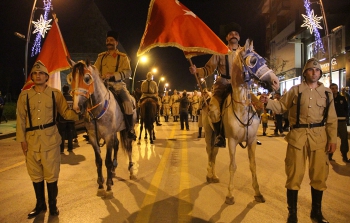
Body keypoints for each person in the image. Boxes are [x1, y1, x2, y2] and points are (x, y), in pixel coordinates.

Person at [261, 58, 337, 223]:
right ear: (305, 73)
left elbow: (331, 118)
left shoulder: (327, 93)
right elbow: (281, 107)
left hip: (319, 138)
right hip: (298, 137)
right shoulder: (295, 91)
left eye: (317, 70)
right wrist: (268, 103)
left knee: (319, 176)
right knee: (294, 176)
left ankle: (316, 213)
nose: (314, 73)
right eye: (311, 70)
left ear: (320, 73)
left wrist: (332, 139)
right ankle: (292, 214)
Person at [16, 61, 79, 218]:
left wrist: (80, 113)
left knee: (51, 175)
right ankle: (40, 205)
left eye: (41, 73)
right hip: (31, 142)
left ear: (46, 77)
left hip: (50, 140)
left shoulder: (55, 94)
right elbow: (21, 120)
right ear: (32, 77)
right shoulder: (24, 96)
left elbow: (65, 113)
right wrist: (22, 141)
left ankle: (53, 205)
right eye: (35, 74)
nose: (38, 76)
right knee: (35, 175)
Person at [189, 22, 263, 147]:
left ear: (239, 37)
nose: (233, 35)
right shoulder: (220, 52)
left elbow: (253, 68)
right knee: (213, 109)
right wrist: (197, 71)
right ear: (227, 38)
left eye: (236, 33)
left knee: (260, 106)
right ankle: (219, 135)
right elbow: (208, 69)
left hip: (241, 87)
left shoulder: (246, 52)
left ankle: (252, 134)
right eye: (230, 34)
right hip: (222, 86)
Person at [94, 30, 136, 140]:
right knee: (90, 101)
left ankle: (129, 128)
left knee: (128, 103)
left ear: (116, 42)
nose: (109, 42)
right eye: (107, 40)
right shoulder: (101, 57)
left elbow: (128, 72)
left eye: (111, 40)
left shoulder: (122, 57)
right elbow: (94, 70)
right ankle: (92, 129)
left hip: (118, 86)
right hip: (103, 86)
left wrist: (113, 75)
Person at [329, 83, 350, 163]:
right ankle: (330, 155)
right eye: (332, 88)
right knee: (331, 138)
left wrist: (346, 117)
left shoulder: (342, 98)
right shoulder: (328, 98)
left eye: (336, 88)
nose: (334, 90)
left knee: (344, 138)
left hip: (341, 121)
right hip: (331, 121)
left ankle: (344, 155)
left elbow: (346, 108)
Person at [57, 85, 75, 153]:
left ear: (63, 90)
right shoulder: (72, 98)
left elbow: (58, 109)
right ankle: (70, 148)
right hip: (70, 118)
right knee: (70, 133)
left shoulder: (61, 98)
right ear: (68, 90)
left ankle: (61, 149)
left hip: (62, 118)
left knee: (62, 134)